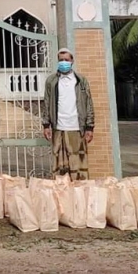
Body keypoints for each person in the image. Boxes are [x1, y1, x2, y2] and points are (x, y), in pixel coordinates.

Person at [41, 48, 95, 180]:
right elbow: (47, 103)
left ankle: (79, 193)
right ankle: (61, 194)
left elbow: (88, 103)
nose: (63, 62)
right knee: (60, 165)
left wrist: (89, 127)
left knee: (77, 164)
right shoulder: (51, 81)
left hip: (77, 127)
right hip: (58, 127)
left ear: (72, 61)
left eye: (66, 60)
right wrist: (46, 125)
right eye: (61, 60)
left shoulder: (81, 81)